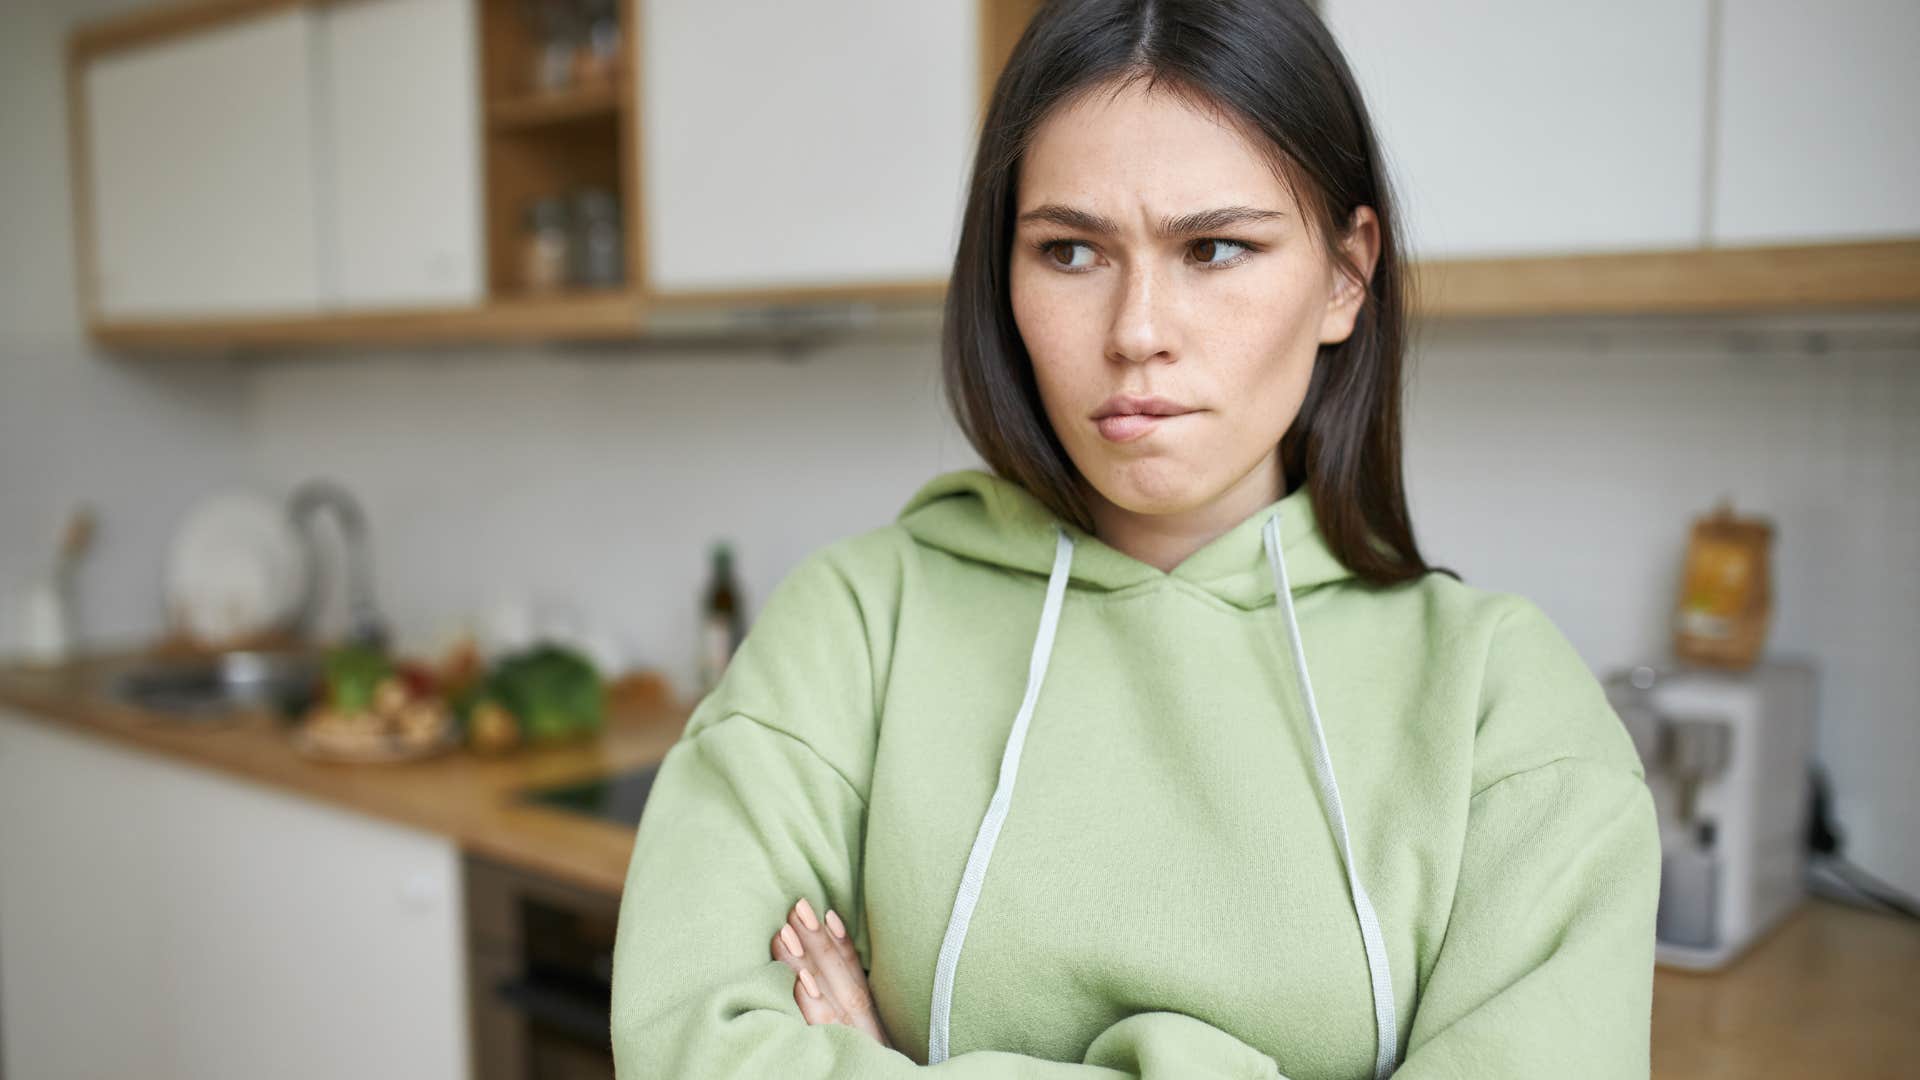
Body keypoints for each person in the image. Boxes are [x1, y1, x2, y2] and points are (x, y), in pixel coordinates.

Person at [608, 0, 1660, 1076]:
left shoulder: (1504, 705)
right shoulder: (855, 625)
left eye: (1215, 248)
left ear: (1346, 274)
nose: (1136, 333)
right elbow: (691, 1045)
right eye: (1069, 251)